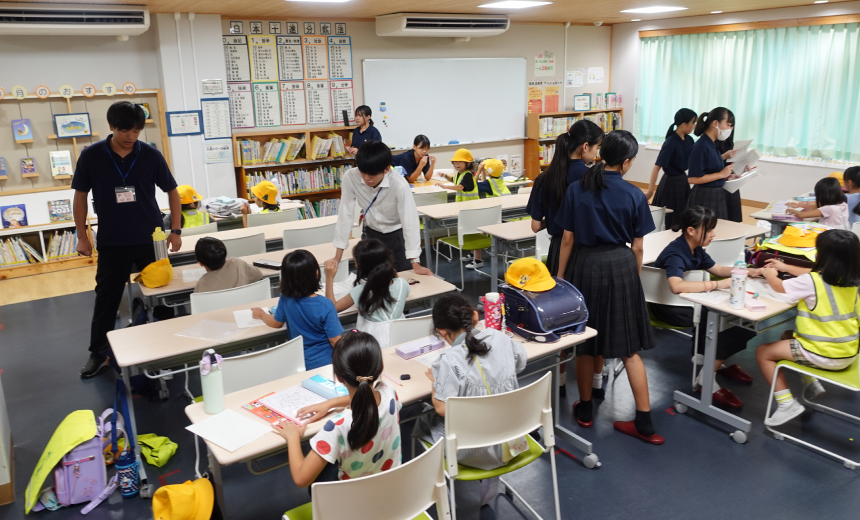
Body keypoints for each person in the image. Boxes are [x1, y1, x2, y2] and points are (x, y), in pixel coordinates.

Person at [555, 130, 663, 444]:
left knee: (586, 343)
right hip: (621, 265)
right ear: (626, 162)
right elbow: (638, 246)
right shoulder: (634, 194)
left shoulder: (577, 188)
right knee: (629, 349)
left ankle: (585, 410)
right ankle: (644, 422)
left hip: (584, 264)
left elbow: (567, 239)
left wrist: (560, 278)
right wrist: (633, 278)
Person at [72, 101, 181, 378]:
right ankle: (99, 353)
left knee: (160, 295)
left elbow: (172, 191)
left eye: (136, 131)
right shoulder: (92, 155)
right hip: (112, 240)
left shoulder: (151, 155)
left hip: (151, 239)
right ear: (111, 126)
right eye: (124, 130)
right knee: (106, 299)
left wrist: (176, 230)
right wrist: (82, 236)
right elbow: (80, 196)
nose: (131, 136)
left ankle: (169, 347)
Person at [413, 294, 527, 508]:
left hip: (475, 452)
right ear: (475, 317)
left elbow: (441, 408)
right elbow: (520, 363)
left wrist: (436, 382)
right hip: (512, 441)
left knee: (422, 422)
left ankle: (443, 499)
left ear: (442, 332)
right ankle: (489, 492)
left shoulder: (448, 361)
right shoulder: (499, 338)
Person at [649, 206, 763, 408]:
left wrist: (747, 271)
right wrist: (716, 285)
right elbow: (676, 286)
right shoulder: (676, 253)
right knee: (731, 319)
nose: (713, 234)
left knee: (739, 317)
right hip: (671, 308)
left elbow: (717, 269)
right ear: (691, 230)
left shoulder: (695, 249)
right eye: (709, 230)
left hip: (690, 304)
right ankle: (707, 375)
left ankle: (712, 360)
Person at [756, 229, 860, 426]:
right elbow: (812, 274)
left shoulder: (812, 282)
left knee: (763, 352)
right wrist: (785, 266)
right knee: (787, 335)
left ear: (822, 256)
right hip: (848, 353)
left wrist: (769, 273)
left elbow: (779, 286)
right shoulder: (853, 283)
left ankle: (786, 404)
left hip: (822, 354)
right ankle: (810, 382)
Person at [273, 331, 402, 487]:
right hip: (392, 488)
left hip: (352, 499)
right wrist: (331, 403)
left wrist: (292, 437)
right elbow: (367, 396)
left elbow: (301, 479)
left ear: (339, 377)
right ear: (380, 368)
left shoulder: (336, 427)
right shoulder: (389, 392)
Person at [330, 141, 432, 275]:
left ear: (386, 169)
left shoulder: (399, 185)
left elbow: (410, 222)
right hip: (371, 234)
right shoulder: (351, 177)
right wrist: (337, 257)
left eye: (372, 174)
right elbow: (345, 214)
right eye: (363, 172)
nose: (366, 178)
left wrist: (415, 263)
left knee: (402, 278)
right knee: (369, 277)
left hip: (397, 235)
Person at [527, 120, 603, 276]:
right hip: (586, 251)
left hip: (557, 249)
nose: (597, 152)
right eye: (597, 147)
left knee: (560, 289)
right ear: (585, 146)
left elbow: (535, 226)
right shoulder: (592, 178)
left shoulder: (543, 178)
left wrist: (555, 219)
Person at [251, 249, 343, 369]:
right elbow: (335, 341)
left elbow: (276, 323)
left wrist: (261, 314)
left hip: (300, 363)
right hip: (327, 364)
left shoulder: (285, 297)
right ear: (316, 274)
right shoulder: (325, 305)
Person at [323, 238, 410, 348]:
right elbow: (393, 281)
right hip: (401, 341)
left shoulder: (361, 291)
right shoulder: (402, 284)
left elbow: (332, 308)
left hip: (371, 345)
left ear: (359, 265)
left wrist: (329, 278)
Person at [645, 108, 697, 228]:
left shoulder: (689, 140)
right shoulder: (671, 142)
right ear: (683, 124)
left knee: (682, 216)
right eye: (692, 123)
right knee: (669, 219)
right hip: (670, 183)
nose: (694, 126)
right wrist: (650, 191)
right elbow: (657, 167)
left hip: (683, 181)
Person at [687, 107, 739, 221]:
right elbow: (692, 179)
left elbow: (711, 170)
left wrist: (727, 176)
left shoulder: (713, 144)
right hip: (704, 195)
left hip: (717, 193)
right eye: (728, 125)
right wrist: (720, 175)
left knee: (719, 229)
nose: (729, 129)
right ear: (715, 123)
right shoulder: (701, 146)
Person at [440, 149, 484, 270]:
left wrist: (445, 186)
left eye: (460, 162)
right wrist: (445, 176)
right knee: (469, 231)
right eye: (455, 162)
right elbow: (454, 180)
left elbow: (460, 186)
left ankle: (478, 260)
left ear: (468, 163)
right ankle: (472, 254)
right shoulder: (460, 174)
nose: (456, 164)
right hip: (465, 209)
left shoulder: (468, 175)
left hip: (472, 208)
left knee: (474, 233)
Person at [193, 237, 263, 294]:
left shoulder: (201, 284)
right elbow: (259, 275)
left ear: (200, 263)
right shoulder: (237, 263)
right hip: (245, 305)